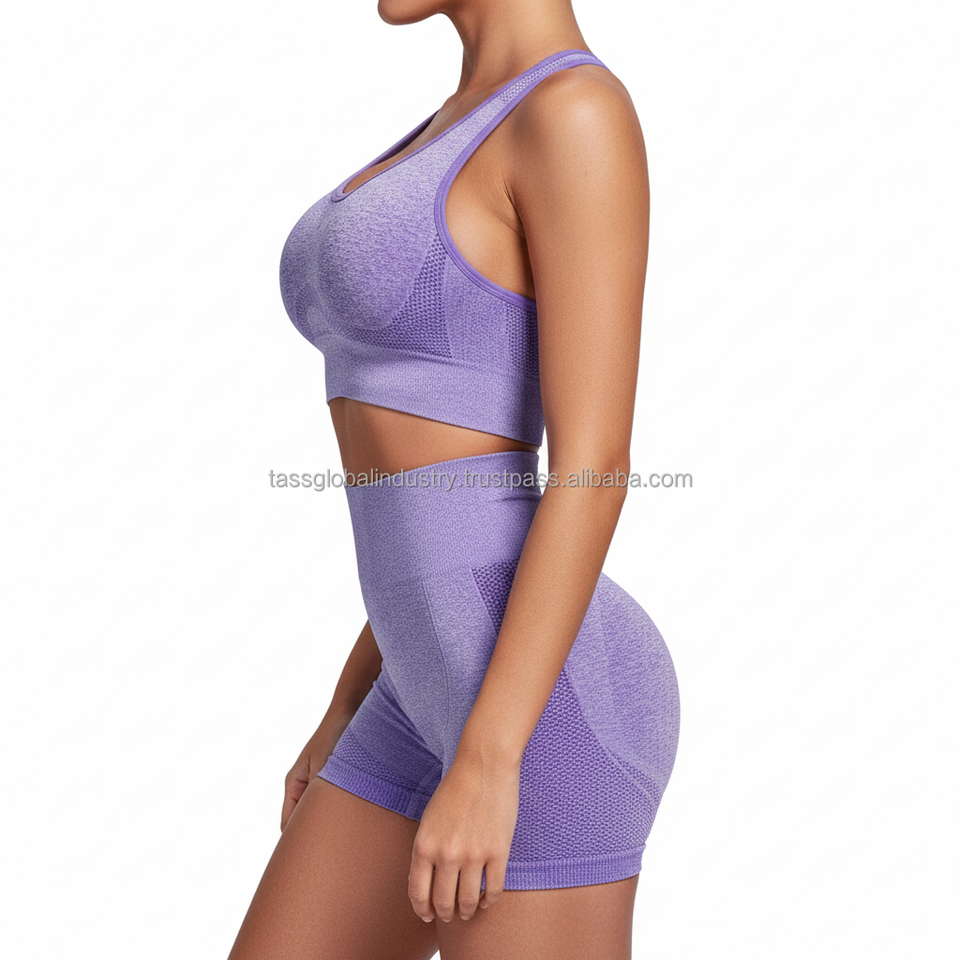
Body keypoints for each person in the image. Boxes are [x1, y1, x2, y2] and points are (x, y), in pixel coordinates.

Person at [229, 1, 680, 957]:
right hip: (414, 688)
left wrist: (490, 754)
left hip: (540, 715)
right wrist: (350, 702)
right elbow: (431, 523)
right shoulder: (457, 119)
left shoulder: (574, 113)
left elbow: (593, 465)